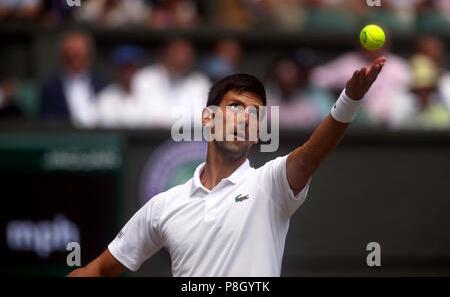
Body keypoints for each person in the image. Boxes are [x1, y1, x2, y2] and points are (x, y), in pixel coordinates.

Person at [67, 56, 386, 277]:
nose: (245, 118)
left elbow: (309, 156)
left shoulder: (269, 184)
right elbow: (99, 269)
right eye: (235, 107)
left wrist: (349, 100)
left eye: (255, 114)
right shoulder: (164, 206)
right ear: (208, 118)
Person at [131, 38, 211, 128]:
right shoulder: (145, 78)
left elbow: (202, 119)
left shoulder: (199, 82)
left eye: (187, 55)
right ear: (165, 55)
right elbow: (142, 115)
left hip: (188, 138)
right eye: (177, 53)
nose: (182, 59)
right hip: (150, 138)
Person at [40, 31, 107, 127]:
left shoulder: (103, 84)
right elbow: (47, 122)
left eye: (79, 55)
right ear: (62, 57)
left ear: (89, 55)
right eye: (70, 56)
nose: (75, 61)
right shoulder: (50, 88)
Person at [96, 45, 146, 128]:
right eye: (123, 68)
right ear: (115, 70)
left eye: (130, 67)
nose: (127, 73)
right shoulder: (105, 98)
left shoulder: (149, 93)